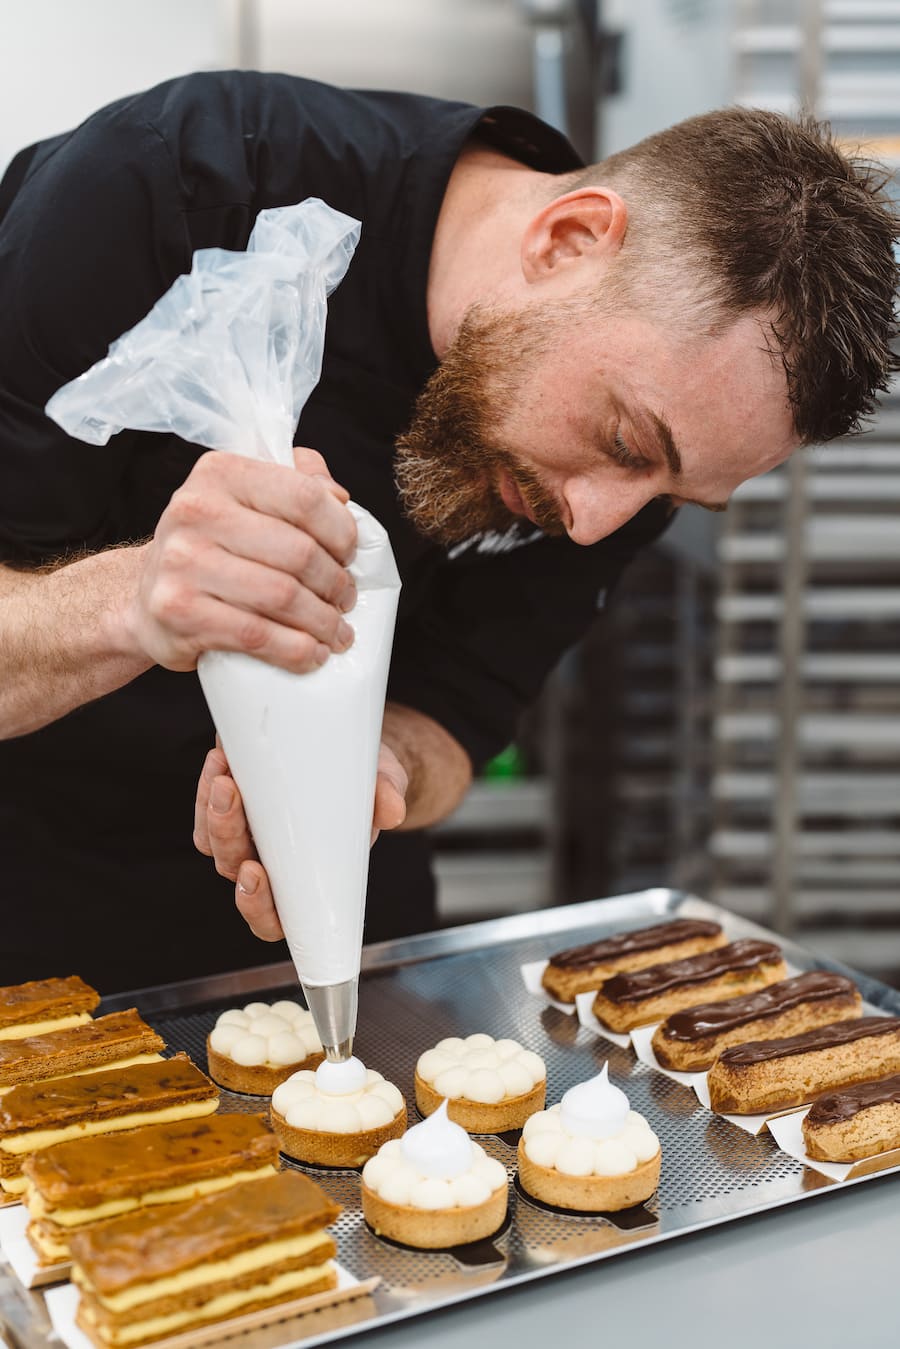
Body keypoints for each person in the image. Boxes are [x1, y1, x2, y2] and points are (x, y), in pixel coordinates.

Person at [0, 72, 896, 992]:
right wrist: (133, 601)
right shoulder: (175, 184)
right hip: (34, 930)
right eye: (624, 442)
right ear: (568, 240)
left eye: (673, 496)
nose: (596, 524)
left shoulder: (637, 460)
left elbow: (459, 709)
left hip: (344, 933)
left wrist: (375, 768)